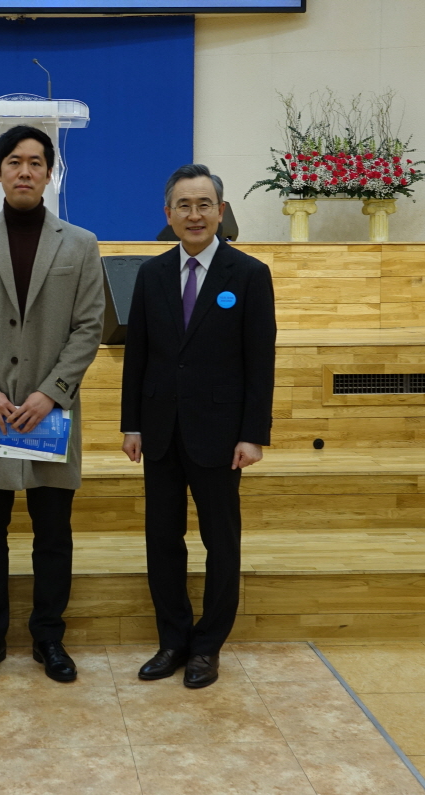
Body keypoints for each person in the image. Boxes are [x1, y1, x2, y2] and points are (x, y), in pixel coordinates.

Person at [0, 125, 105, 684]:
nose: (25, 171)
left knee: (53, 535)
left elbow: (89, 326)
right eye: (14, 161)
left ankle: (48, 639)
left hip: (49, 414)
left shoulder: (79, 243)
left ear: (50, 172)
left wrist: (50, 392)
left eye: (36, 162)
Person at [120, 164, 275, 688]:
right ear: (168, 214)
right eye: (183, 205)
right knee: (162, 541)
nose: (194, 214)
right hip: (160, 432)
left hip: (221, 435)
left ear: (221, 211)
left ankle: (208, 646)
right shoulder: (151, 275)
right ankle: (173, 640)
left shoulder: (248, 274)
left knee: (221, 543)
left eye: (204, 204)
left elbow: (260, 362)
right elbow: (137, 357)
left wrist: (252, 434)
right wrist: (132, 425)